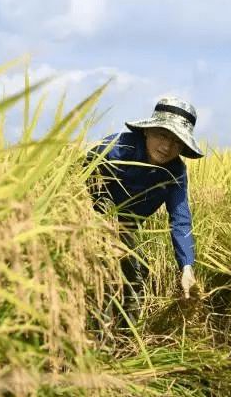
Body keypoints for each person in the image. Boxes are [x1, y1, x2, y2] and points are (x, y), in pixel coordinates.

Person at [86, 96, 204, 324]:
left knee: (139, 274)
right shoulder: (116, 148)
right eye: (162, 135)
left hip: (128, 226)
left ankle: (126, 337)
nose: (167, 146)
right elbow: (77, 178)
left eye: (176, 141)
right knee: (115, 267)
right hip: (94, 216)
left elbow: (180, 220)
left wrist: (187, 267)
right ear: (148, 131)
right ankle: (95, 328)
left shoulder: (175, 172)